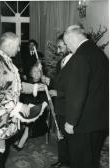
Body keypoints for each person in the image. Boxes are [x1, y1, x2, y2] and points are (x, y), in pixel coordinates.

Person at [0, 32, 47, 168]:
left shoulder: (4, 60)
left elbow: (14, 86)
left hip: (3, 111)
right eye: (17, 46)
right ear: (9, 45)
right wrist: (18, 106)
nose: (19, 49)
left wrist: (35, 87)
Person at [52, 25, 109, 168]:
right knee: (92, 160)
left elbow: (77, 91)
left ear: (71, 39)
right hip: (100, 120)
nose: (68, 48)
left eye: (67, 43)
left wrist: (71, 121)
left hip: (83, 123)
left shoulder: (80, 56)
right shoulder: (99, 53)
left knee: (81, 162)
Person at [13, 63, 51, 150]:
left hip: (40, 109)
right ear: (31, 73)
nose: (37, 73)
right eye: (34, 71)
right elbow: (24, 98)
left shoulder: (43, 84)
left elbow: (44, 100)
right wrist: (26, 105)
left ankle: (21, 143)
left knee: (29, 122)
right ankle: (17, 138)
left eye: (39, 71)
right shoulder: (28, 83)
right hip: (28, 107)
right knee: (18, 115)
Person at [50, 33, 72, 168]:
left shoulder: (77, 61)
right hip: (60, 106)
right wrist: (50, 81)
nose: (58, 51)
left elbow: (77, 88)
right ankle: (63, 160)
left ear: (67, 44)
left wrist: (59, 93)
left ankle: (71, 161)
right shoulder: (60, 62)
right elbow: (59, 82)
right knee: (61, 135)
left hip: (70, 107)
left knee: (71, 138)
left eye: (60, 47)